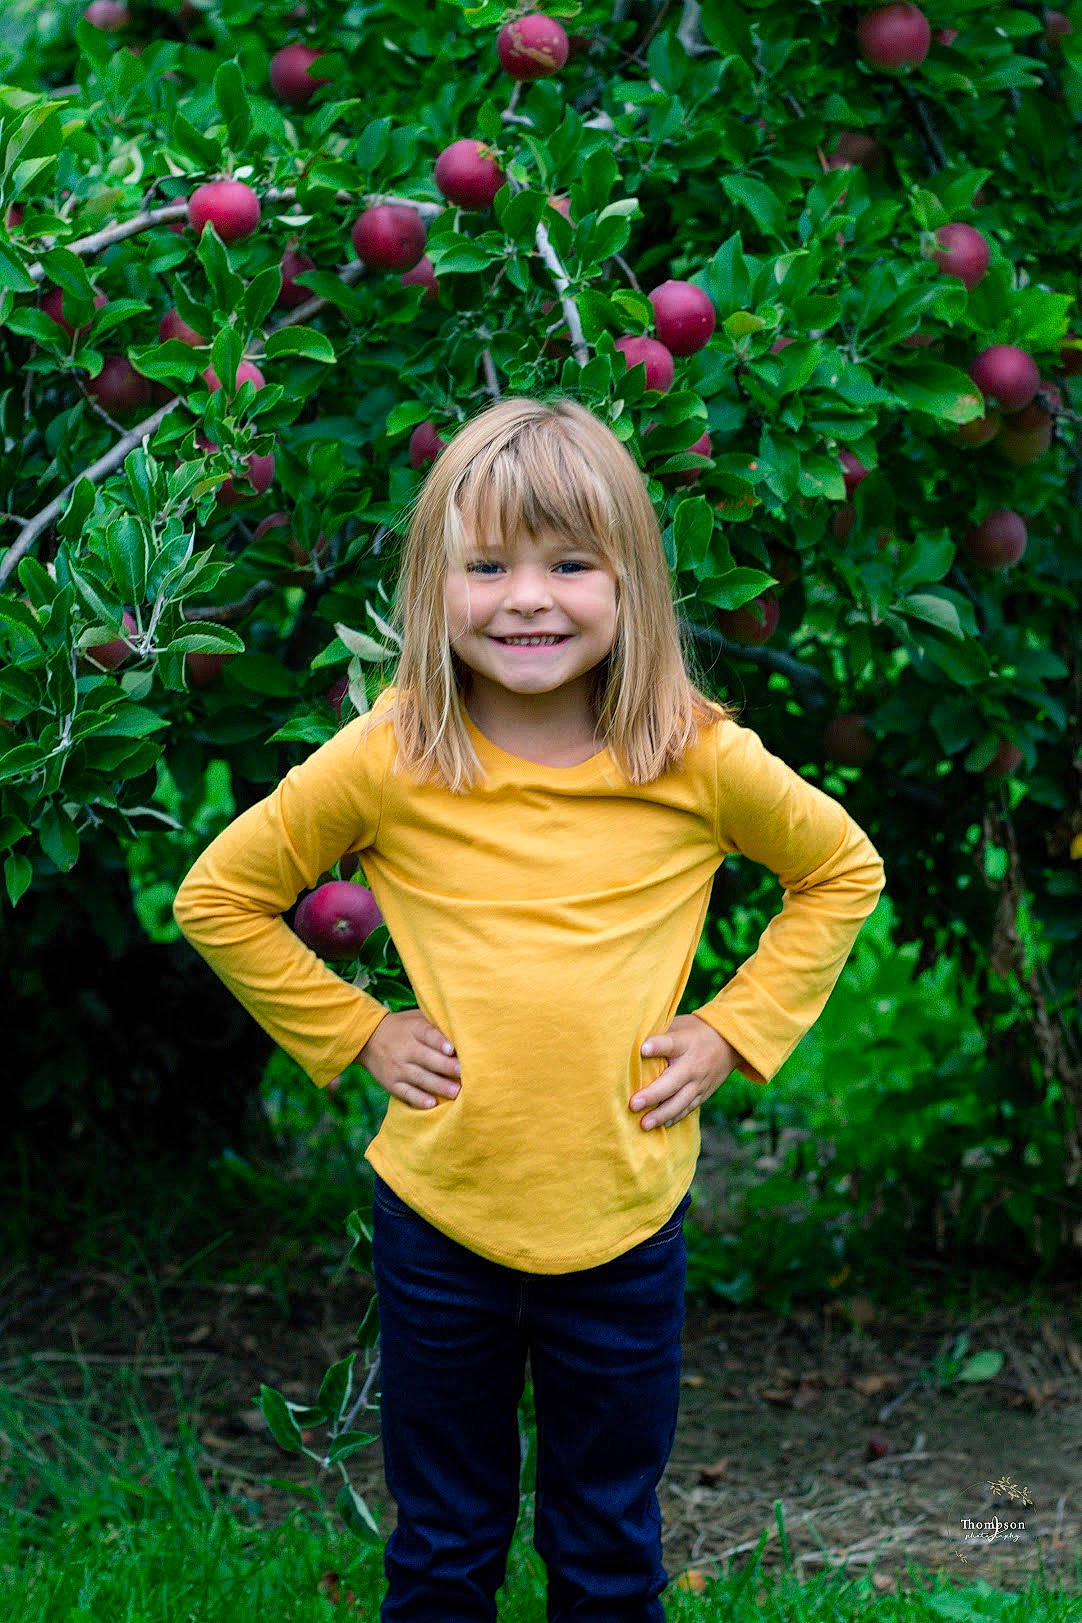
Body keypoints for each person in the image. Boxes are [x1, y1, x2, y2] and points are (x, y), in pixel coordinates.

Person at [173, 394, 886, 1623]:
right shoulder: (394, 752)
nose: (526, 599)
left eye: (568, 564)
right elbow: (221, 895)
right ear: (433, 584)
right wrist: (356, 1030)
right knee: (444, 1547)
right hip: (440, 1216)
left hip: (620, 1217)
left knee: (606, 1548)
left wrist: (731, 1028)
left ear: (632, 586)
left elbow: (840, 870)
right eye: (487, 566)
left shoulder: (691, 755)